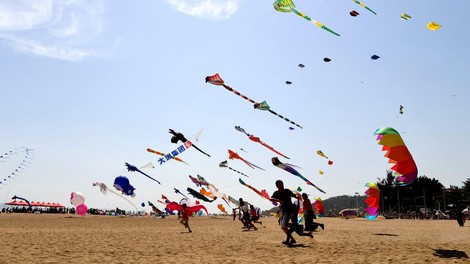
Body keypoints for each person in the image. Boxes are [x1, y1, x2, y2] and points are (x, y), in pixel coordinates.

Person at [270, 180, 300, 244]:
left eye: (282, 184)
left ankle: (294, 227)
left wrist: (297, 196)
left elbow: (294, 195)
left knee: (283, 225)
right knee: (283, 226)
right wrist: (279, 200)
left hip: (289, 210)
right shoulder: (276, 193)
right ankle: (292, 238)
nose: (282, 186)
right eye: (280, 185)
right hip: (284, 211)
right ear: (277, 186)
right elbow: (271, 199)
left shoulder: (287, 191)